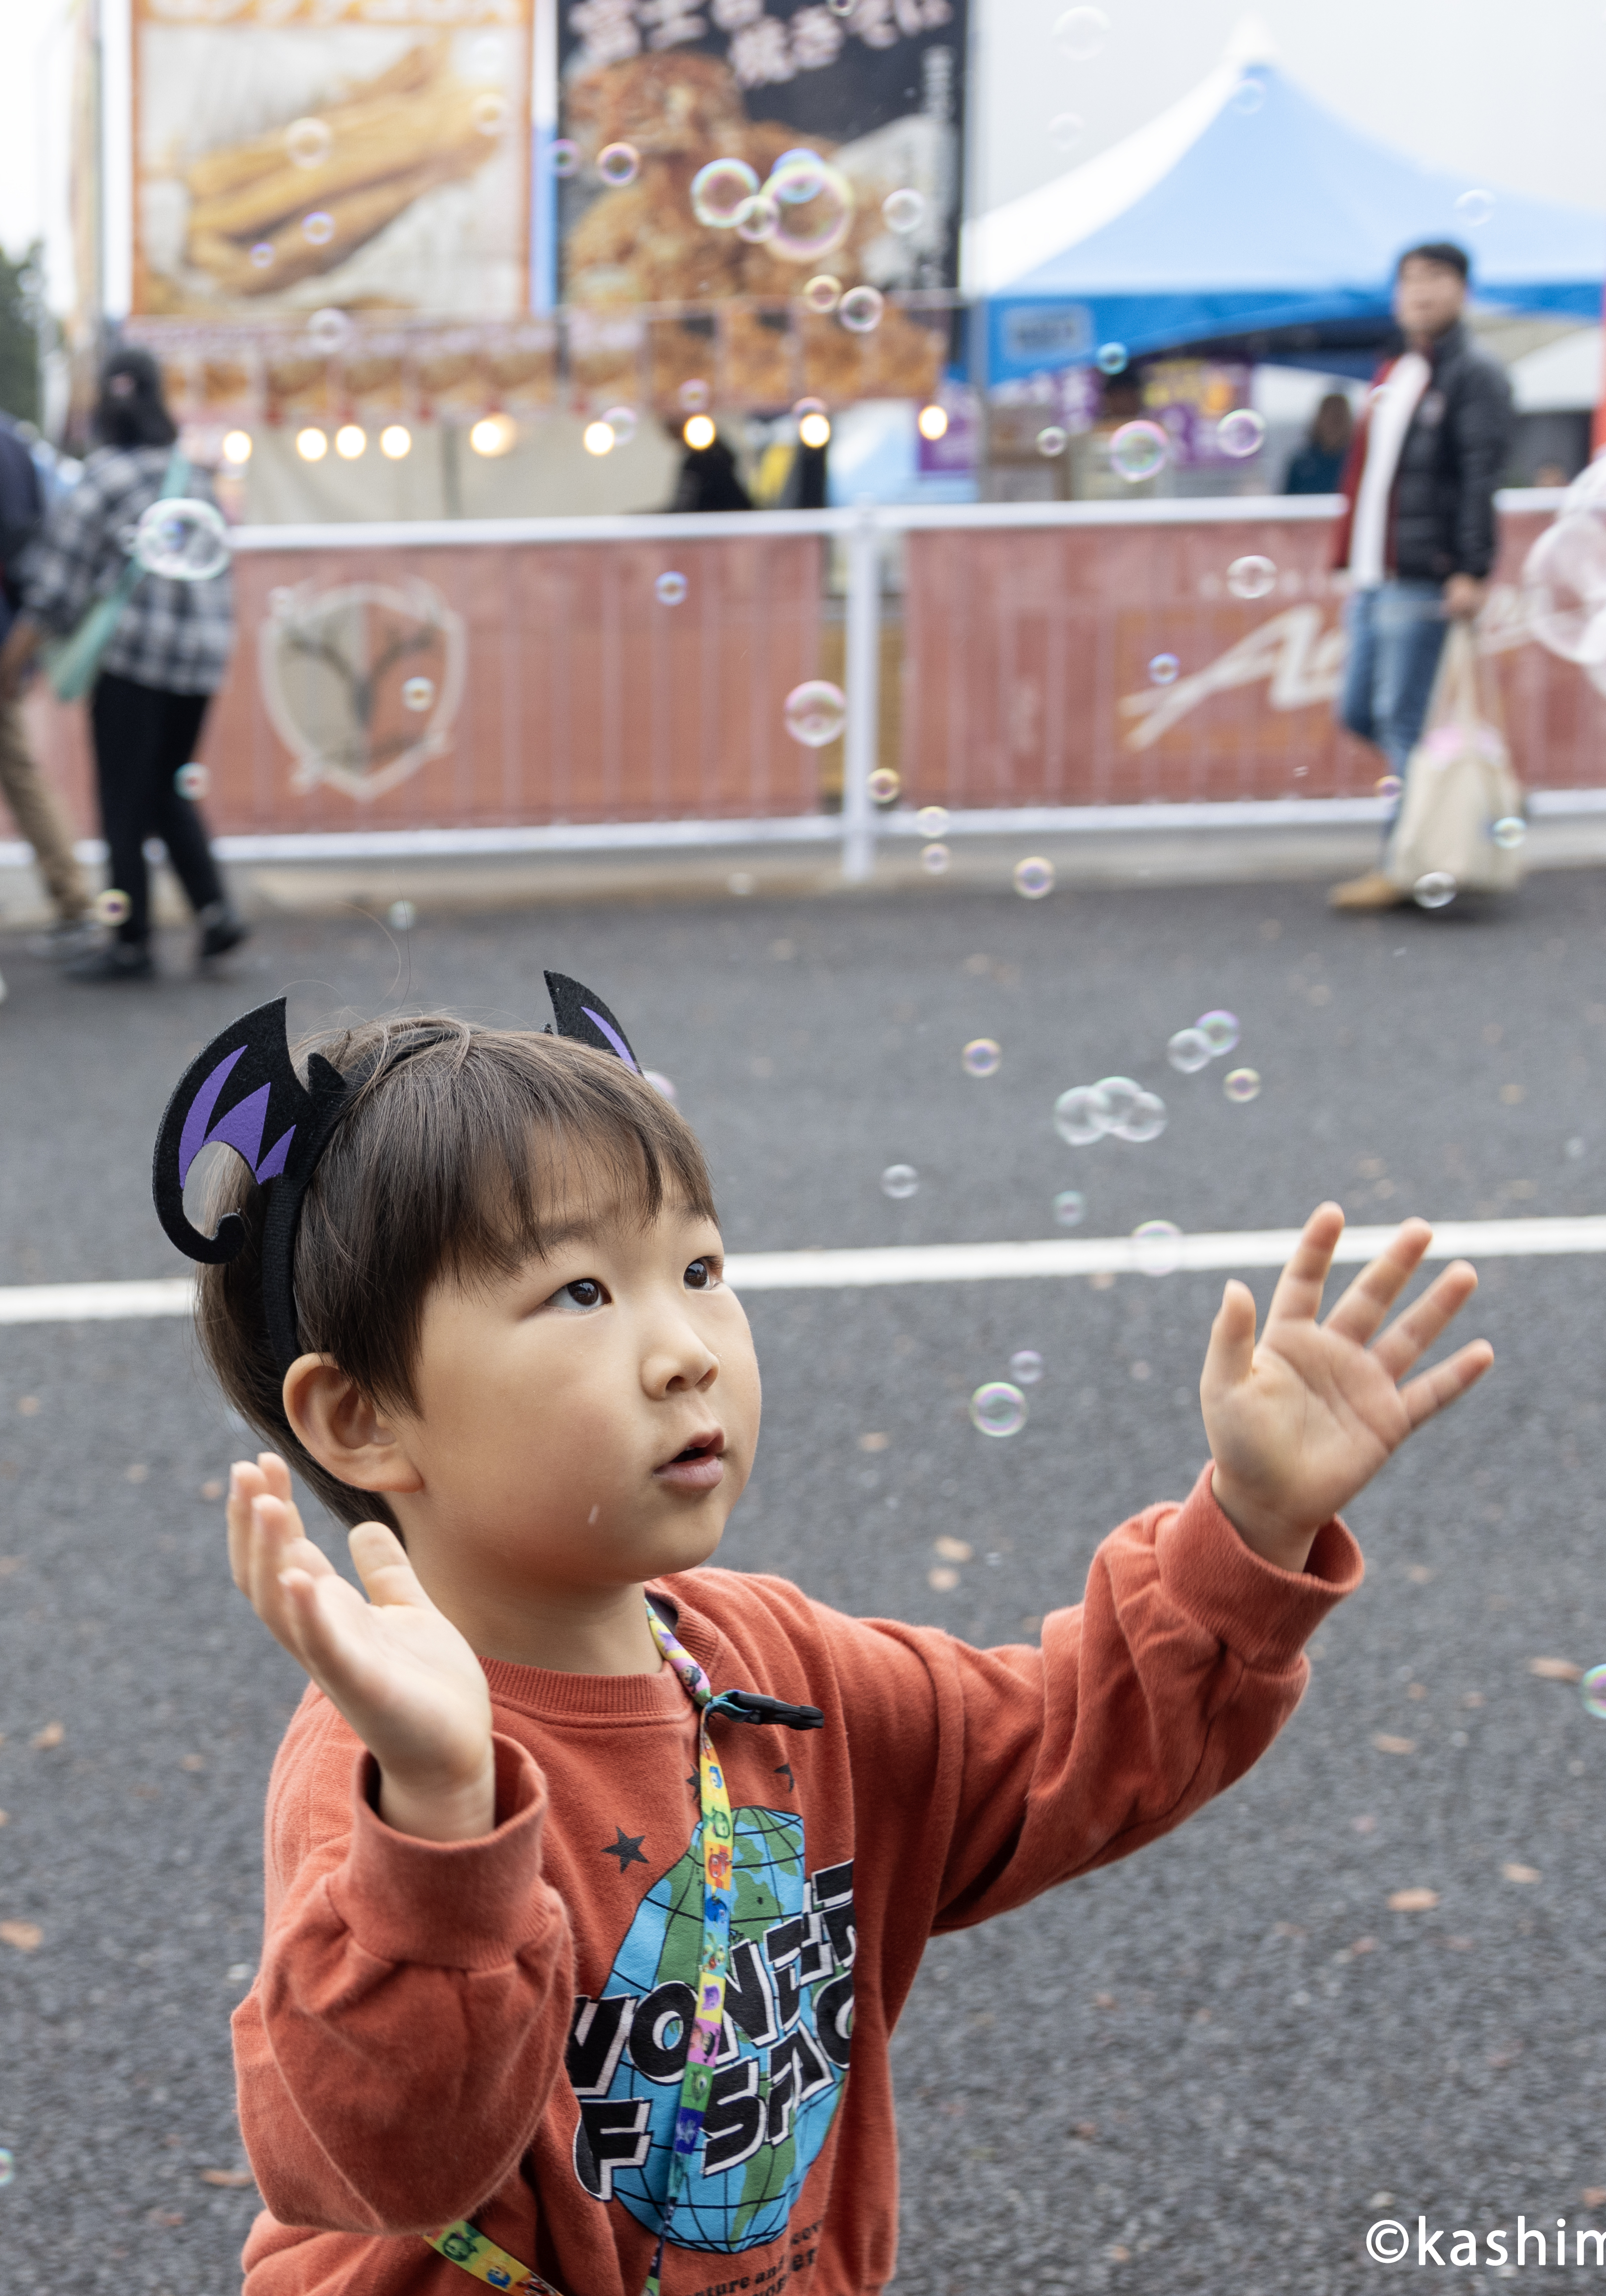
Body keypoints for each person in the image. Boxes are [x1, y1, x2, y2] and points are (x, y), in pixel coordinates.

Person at [157, 969, 1493, 2296]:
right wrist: (445, 1820)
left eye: (697, 1267)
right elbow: (390, 2159)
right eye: (579, 1293)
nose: (685, 1347)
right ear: (360, 1418)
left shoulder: (774, 1668)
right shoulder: (386, 1769)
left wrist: (1248, 1531)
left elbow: (1075, 1746)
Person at [0, 346, 245, 980]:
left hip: (134, 660)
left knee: (124, 797)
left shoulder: (104, 476)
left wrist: (12, 661)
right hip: (200, 659)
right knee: (166, 785)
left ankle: (131, 940)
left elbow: (56, 587)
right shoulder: (188, 474)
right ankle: (216, 912)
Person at [1327, 243, 1513, 911]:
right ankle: (1454, 793)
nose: (1419, 292)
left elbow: (1479, 477)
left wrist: (1470, 568)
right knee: (1359, 710)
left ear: (1463, 289)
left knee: (1401, 721)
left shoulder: (1475, 373)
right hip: (1377, 571)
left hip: (1424, 574)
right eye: (1408, 280)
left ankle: (1404, 863)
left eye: (1435, 278)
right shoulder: (1397, 369)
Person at [0, 411, 92, 952]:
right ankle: (75, 900)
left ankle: (76, 901)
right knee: (22, 772)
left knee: (22, 771)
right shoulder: (15, 441)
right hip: (8, 627)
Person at [1283, 391, 1353, 495]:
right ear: (1319, 419)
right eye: (1329, 416)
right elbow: (1286, 503)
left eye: (1339, 418)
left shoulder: (1356, 462)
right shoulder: (1300, 462)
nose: (1333, 424)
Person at [670, 426, 753, 513]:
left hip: (736, 513)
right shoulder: (691, 464)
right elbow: (684, 500)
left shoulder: (720, 455)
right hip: (701, 517)